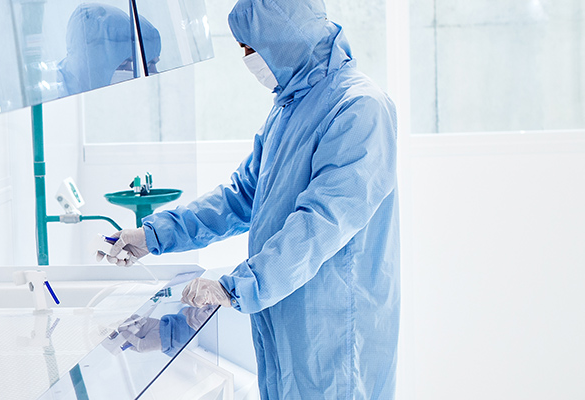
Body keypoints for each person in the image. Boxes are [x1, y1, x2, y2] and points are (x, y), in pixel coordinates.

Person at [99, 0, 399, 398]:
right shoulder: (288, 110)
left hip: (335, 330)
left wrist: (236, 286)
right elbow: (241, 197)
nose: (247, 59)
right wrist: (152, 236)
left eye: (249, 47)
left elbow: (320, 225)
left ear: (285, 37)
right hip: (285, 322)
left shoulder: (359, 109)